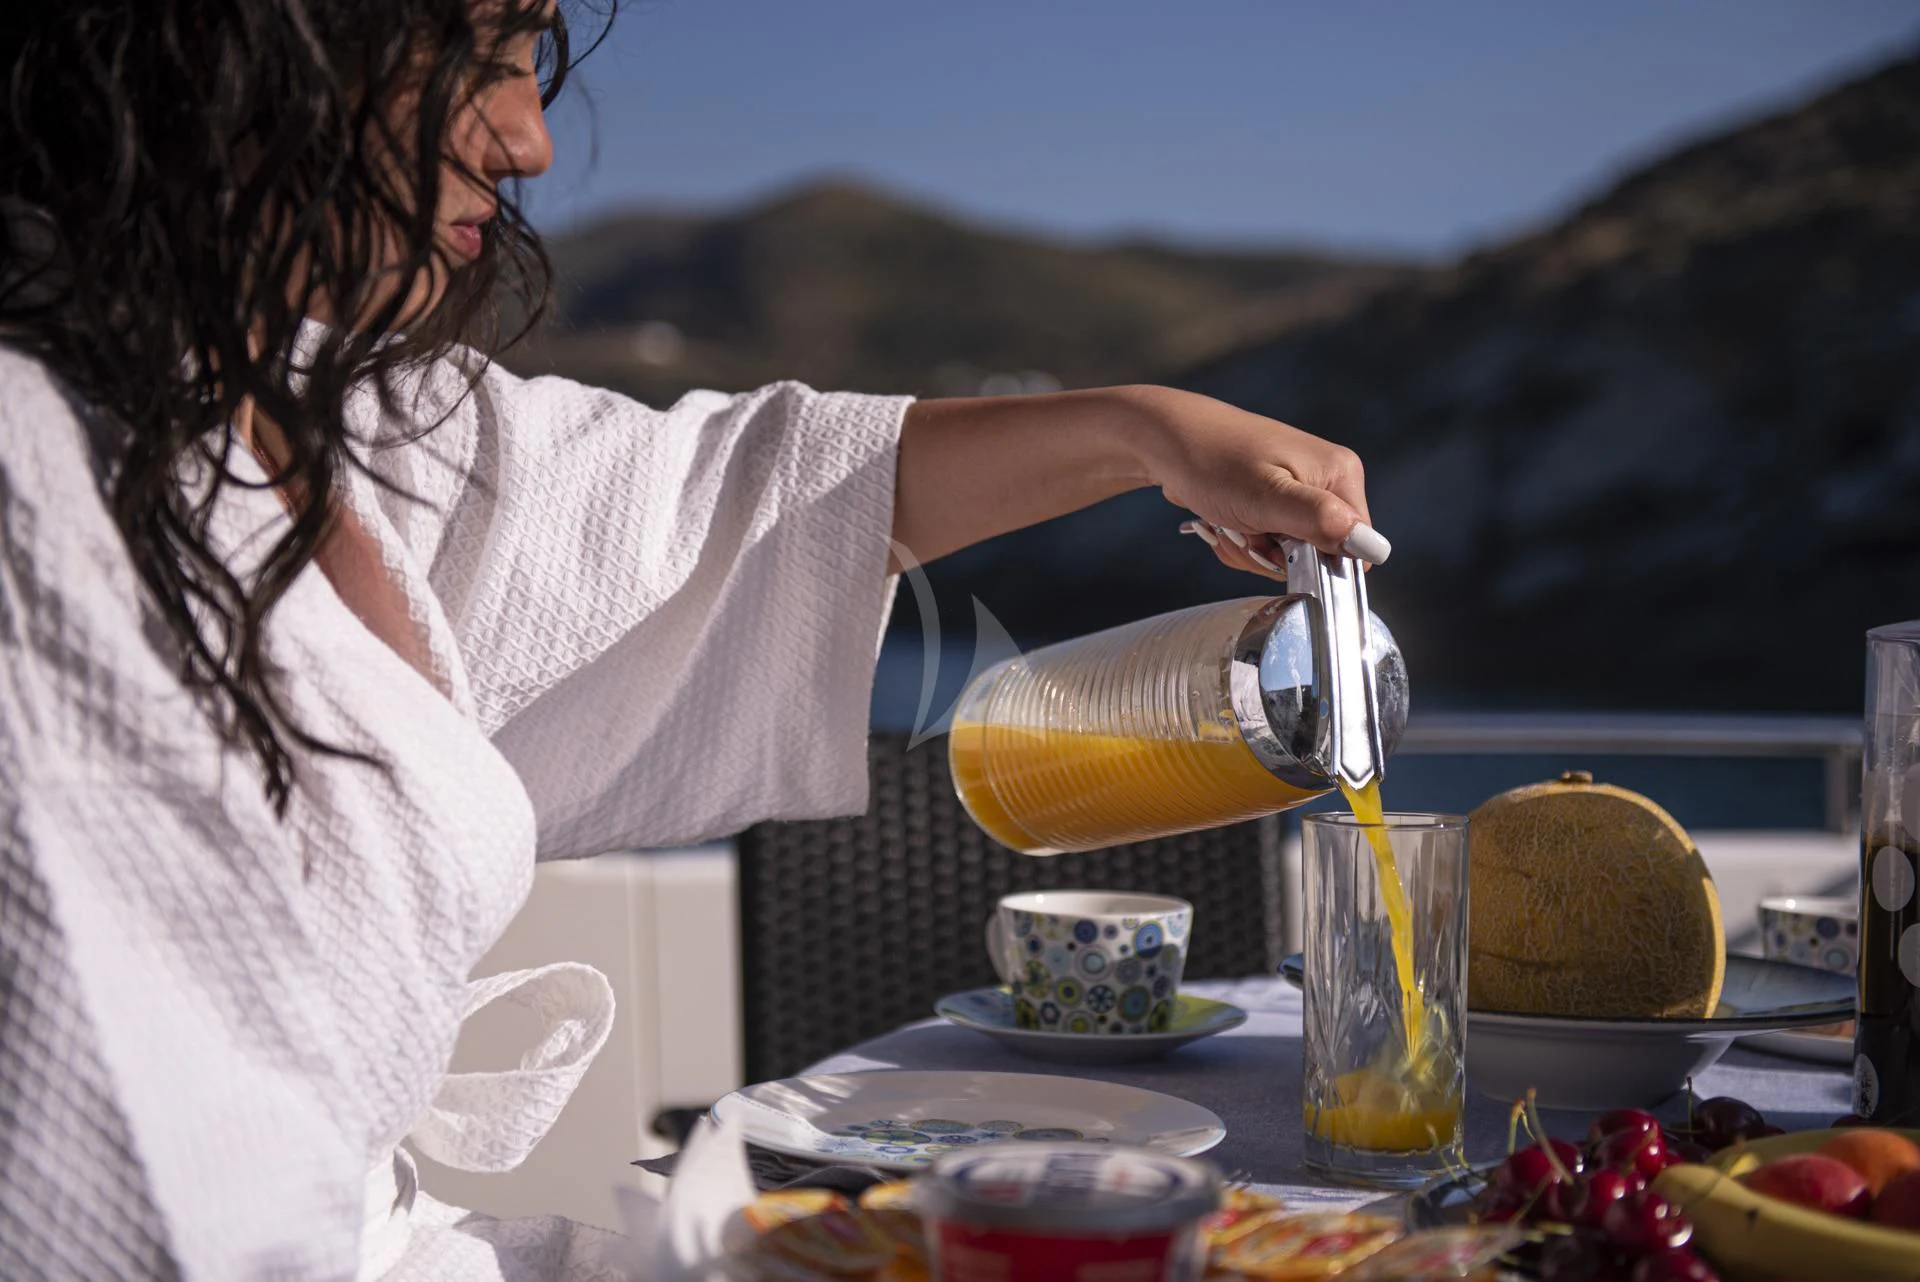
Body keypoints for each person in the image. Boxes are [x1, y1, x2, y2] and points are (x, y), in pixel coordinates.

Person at [0, 1, 1388, 1277]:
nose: (531, 137)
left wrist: (1139, 430)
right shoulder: (36, 498)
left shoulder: (292, 412)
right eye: (483, 46)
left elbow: (721, 496)